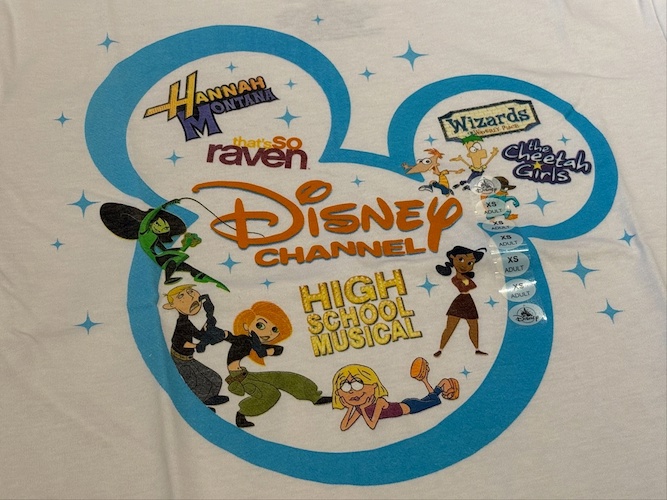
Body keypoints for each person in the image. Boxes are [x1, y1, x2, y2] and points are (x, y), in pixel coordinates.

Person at [225, 301, 332, 428]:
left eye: (274, 329)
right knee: (271, 394)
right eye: (260, 325)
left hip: (246, 373)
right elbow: (230, 337)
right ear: (246, 325)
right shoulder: (243, 340)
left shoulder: (256, 343)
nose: (268, 333)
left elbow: (276, 350)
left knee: (286, 378)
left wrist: (268, 351)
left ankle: (314, 397)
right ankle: (242, 414)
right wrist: (221, 334)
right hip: (238, 378)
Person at [331, 359, 459, 431]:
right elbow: (344, 426)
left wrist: (362, 408)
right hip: (407, 404)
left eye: (358, 385)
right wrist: (350, 408)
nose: (352, 392)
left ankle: (443, 383)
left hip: (411, 406)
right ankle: (441, 382)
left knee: (435, 400)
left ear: (373, 385)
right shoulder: (360, 408)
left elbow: (372, 424)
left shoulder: (379, 401)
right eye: (346, 387)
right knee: (432, 398)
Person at [162, 285, 230, 412]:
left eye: (190, 292)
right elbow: (179, 342)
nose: (190, 297)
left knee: (214, 379)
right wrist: (197, 345)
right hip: (180, 360)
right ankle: (198, 408)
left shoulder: (187, 322)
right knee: (194, 383)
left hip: (188, 358)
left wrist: (207, 325)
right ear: (171, 306)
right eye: (181, 296)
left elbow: (198, 335)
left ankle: (209, 398)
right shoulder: (181, 324)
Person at [433, 245, 488, 357]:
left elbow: (472, 286)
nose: (466, 265)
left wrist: (466, 281)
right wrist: (465, 281)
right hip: (459, 302)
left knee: (474, 326)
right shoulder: (455, 278)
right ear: (452, 258)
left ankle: (477, 348)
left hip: (468, 301)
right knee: (450, 327)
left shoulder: (466, 278)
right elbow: (465, 287)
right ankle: (440, 349)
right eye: (461, 259)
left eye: (470, 263)